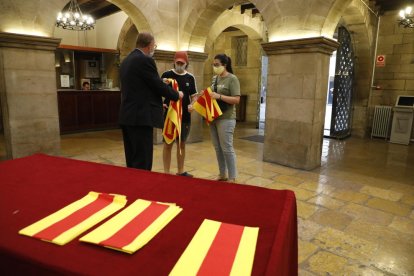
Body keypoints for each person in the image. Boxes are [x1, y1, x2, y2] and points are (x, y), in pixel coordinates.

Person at [119, 32, 183, 171]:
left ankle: (133, 189)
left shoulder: (126, 60)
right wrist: (176, 94)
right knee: (142, 162)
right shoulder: (144, 60)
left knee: (132, 160)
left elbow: (140, 87)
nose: (154, 48)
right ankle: (141, 191)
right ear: (149, 46)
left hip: (128, 116)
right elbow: (156, 86)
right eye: (154, 45)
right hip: (141, 118)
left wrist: (160, 93)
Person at [161, 51, 198, 177]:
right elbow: (157, 92)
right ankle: (166, 172)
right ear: (174, 62)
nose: (180, 64)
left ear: (186, 63)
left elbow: (194, 97)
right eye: (178, 62)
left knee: (181, 144)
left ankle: (181, 171)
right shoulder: (166, 75)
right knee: (168, 143)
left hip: (184, 116)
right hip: (169, 116)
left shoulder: (190, 78)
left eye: (182, 63)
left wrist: (192, 104)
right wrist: (161, 103)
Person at [209, 54, 240, 182]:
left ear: (224, 65)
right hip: (213, 117)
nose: (214, 67)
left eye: (217, 64)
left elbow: (237, 99)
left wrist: (219, 96)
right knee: (217, 147)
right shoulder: (215, 79)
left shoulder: (232, 79)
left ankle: (232, 176)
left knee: (227, 147)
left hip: (226, 118)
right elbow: (211, 94)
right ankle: (222, 174)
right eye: (213, 64)